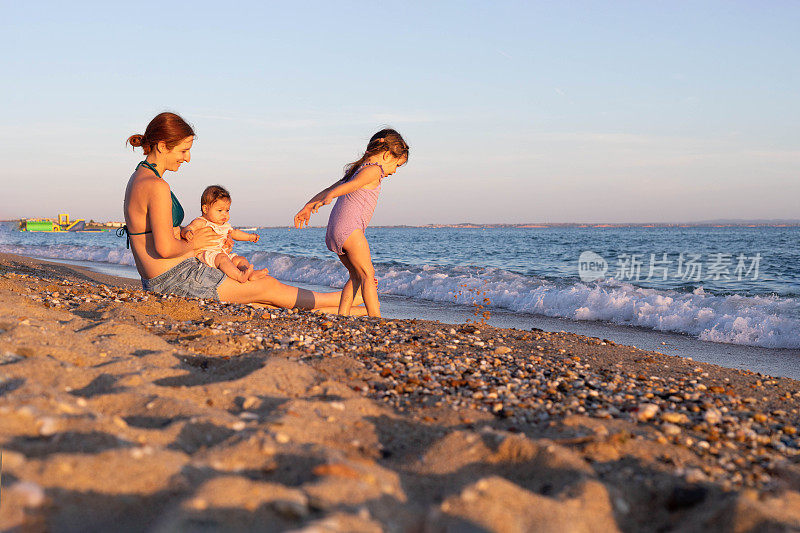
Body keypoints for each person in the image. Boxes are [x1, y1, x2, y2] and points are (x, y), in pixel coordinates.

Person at [122, 112, 362, 311]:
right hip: (175, 280)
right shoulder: (156, 186)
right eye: (183, 150)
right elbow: (164, 248)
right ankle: (344, 300)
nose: (187, 158)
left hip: (168, 277)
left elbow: (157, 234)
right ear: (163, 146)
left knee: (261, 302)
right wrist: (197, 244)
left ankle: (349, 311)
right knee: (267, 286)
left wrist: (193, 236)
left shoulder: (141, 178)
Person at [294, 129, 409, 317]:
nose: (394, 171)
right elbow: (348, 187)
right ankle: (376, 317)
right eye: (397, 164)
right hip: (350, 230)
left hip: (334, 231)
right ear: (387, 155)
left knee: (356, 276)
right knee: (368, 276)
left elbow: (332, 187)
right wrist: (330, 196)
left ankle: (343, 314)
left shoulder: (356, 170)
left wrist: (308, 206)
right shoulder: (373, 170)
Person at [182, 185, 267, 283]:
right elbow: (189, 227)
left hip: (223, 255)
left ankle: (249, 273)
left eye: (227, 210)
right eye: (220, 210)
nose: (224, 214)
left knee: (240, 259)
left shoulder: (224, 225)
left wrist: (249, 237)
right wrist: (187, 232)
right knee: (222, 258)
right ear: (205, 209)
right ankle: (240, 276)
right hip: (207, 256)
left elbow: (235, 233)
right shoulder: (202, 222)